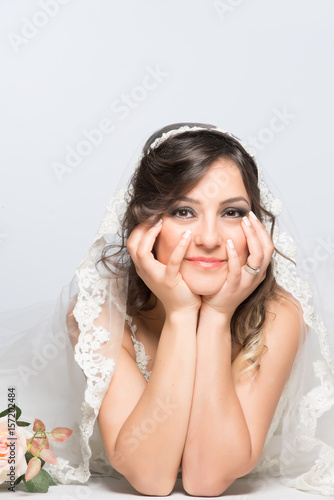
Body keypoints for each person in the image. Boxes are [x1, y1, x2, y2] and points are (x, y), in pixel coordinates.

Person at [2, 123, 334, 496]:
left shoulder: (280, 315)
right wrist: (179, 314)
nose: (209, 239)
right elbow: (150, 476)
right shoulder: (100, 313)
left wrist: (217, 316)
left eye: (232, 212)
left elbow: (207, 479)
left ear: (256, 227)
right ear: (145, 225)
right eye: (183, 211)